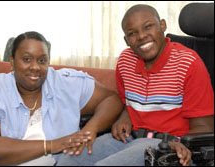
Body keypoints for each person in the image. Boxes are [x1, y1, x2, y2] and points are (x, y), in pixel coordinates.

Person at [56, 4, 214, 166]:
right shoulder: (125, 61)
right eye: (132, 33)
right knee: (68, 160)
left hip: (167, 144)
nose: (141, 36)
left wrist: (178, 144)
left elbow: (204, 127)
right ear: (126, 40)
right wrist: (125, 117)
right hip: (128, 137)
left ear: (162, 25)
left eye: (148, 27)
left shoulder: (188, 63)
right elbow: (128, 103)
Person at [0, 31, 124, 166]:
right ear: (12, 62)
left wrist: (90, 130)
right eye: (27, 59)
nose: (35, 67)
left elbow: (111, 99)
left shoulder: (65, 83)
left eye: (42, 61)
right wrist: (52, 145)